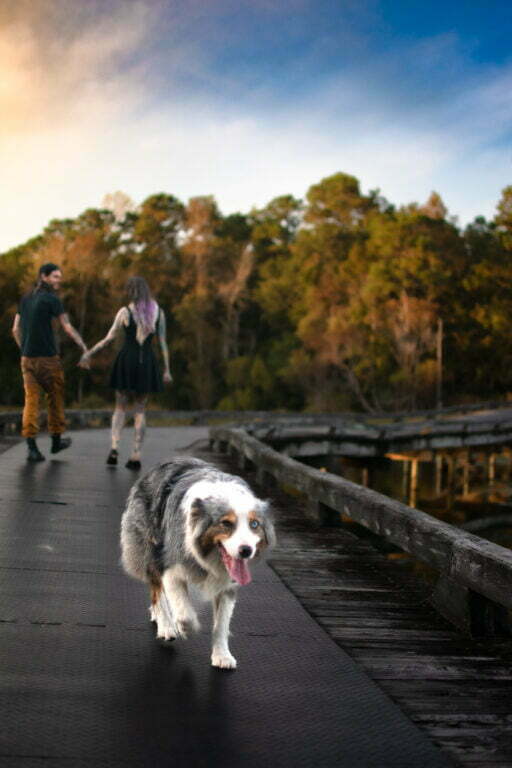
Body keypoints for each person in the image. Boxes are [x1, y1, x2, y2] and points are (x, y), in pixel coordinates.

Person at [79, 276, 172, 469]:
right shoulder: (159, 313)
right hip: (146, 362)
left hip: (127, 360)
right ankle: (136, 455)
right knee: (140, 409)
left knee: (120, 406)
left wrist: (89, 353)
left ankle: (114, 447)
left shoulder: (125, 311)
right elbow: (163, 342)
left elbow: (109, 338)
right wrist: (167, 369)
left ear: (131, 291)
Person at [12, 262, 88, 462]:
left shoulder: (26, 298)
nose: (58, 280)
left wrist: (23, 348)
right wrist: (83, 346)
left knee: (31, 401)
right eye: (55, 276)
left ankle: (32, 448)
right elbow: (67, 327)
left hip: (27, 358)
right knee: (55, 399)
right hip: (47, 358)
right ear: (44, 277)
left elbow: (15, 329)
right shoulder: (52, 299)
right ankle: (56, 441)